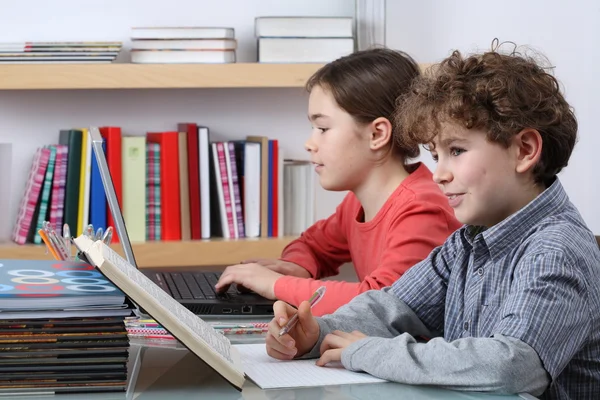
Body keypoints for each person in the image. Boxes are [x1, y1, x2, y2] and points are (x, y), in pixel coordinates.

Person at [265, 42, 600, 399]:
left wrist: (368, 351)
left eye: (456, 151)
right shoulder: (467, 242)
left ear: (524, 151)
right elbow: (391, 307)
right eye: (436, 154)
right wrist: (319, 331)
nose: (438, 173)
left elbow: (511, 365)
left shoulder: (557, 247)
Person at [215, 48, 461, 316]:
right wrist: (299, 268)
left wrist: (276, 284)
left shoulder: (422, 210)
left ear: (377, 134)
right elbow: (311, 245)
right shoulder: (358, 202)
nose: (310, 143)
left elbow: (382, 303)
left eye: (323, 128)